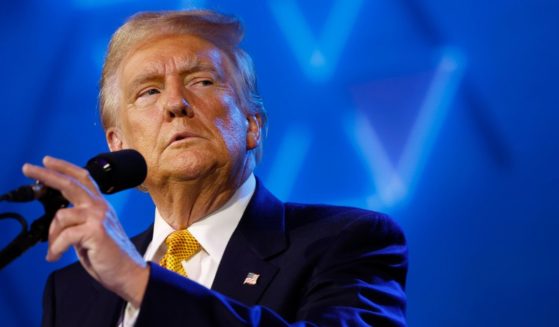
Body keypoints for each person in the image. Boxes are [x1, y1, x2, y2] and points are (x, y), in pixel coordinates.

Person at [23, 10, 408, 327]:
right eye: (149, 91)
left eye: (202, 81)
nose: (175, 103)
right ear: (118, 145)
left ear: (252, 124)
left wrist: (140, 282)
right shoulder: (72, 292)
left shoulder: (348, 242)